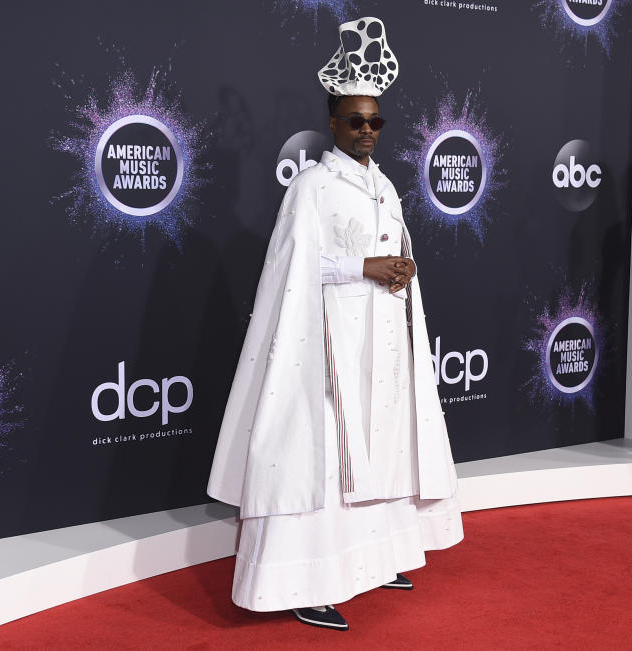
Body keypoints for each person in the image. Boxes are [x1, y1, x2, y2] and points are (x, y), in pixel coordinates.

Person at [207, 17, 462, 631]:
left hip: (382, 343)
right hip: (325, 345)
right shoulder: (313, 186)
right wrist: (364, 265)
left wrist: (401, 270)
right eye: (356, 121)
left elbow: (389, 252)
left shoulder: (388, 187)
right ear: (332, 123)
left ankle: (376, 557)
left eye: (376, 121)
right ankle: (307, 578)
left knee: (383, 447)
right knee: (321, 460)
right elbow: (293, 267)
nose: (368, 131)